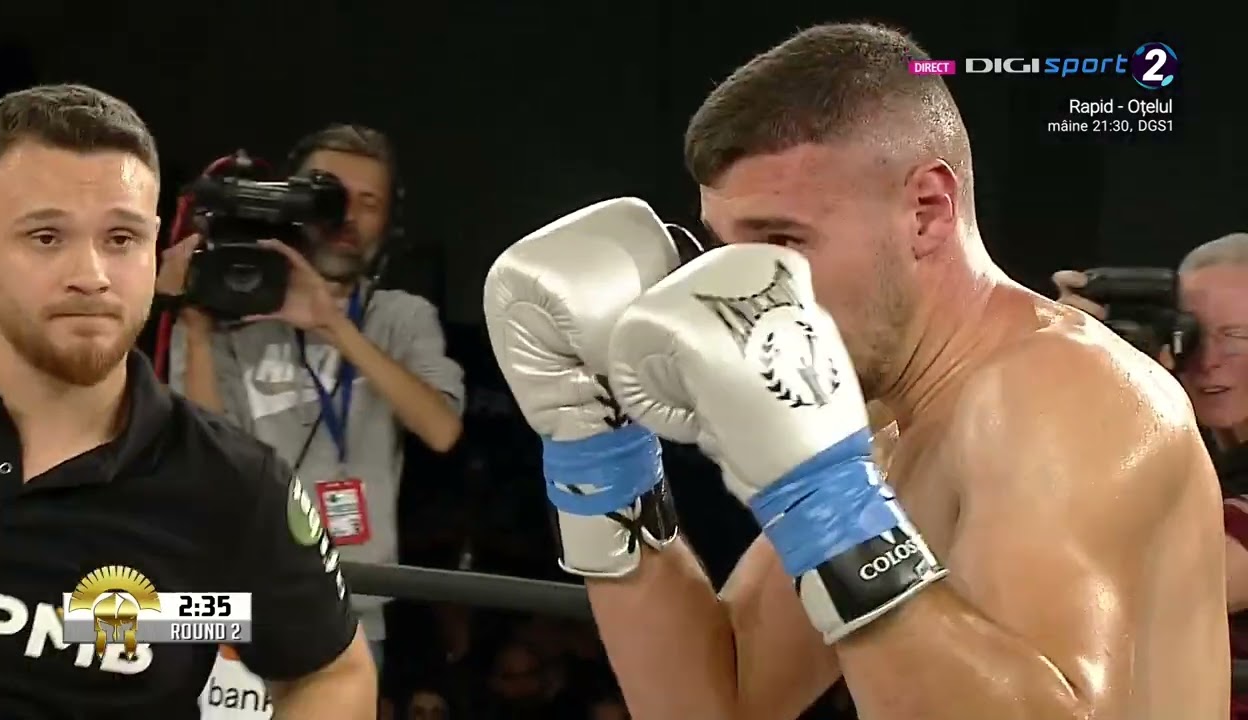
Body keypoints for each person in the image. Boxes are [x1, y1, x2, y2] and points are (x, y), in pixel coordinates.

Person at [482, 23, 1227, 720]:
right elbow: (719, 705)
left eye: (781, 241)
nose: (750, 288)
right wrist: (600, 449)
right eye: (727, 249)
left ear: (927, 210)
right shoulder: (873, 422)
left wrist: (834, 508)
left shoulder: (1058, 393)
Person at [0, 84, 376, 716]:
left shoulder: (231, 485)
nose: (91, 276)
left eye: (121, 239)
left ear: (156, 246)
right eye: (47, 237)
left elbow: (333, 674)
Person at [161, 124, 465, 713]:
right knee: (104, 627)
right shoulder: (228, 300)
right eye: (329, 194)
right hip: (227, 598)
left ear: (390, 222)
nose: (347, 215)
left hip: (350, 601)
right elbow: (203, 449)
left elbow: (441, 428)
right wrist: (194, 329)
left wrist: (332, 324)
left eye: (368, 202)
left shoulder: (402, 317)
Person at [1057, 232, 1248, 716]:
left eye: (1237, 337)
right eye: (1192, 332)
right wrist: (1058, 358)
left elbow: (1170, 588)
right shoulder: (1180, 447)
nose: (1208, 360)